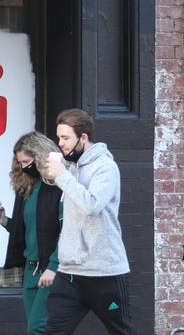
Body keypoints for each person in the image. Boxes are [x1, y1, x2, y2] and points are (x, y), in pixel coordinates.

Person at [44, 108, 134, 334]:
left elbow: (92, 204)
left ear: (83, 138)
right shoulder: (71, 166)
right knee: (53, 330)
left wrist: (62, 176)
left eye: (66, 138)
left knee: (122, 331)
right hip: (70, 272)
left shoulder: (105, 167)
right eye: (59, 138)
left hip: (104, 273)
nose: (61, 143)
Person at [0, 131, 63, 335]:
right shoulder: (27, 187)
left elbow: (67, 231)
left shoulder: (58, 186)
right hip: (30, 271)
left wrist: (54, 266)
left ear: (40, 156)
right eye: (20, 162)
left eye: (27, 161)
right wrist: (4, 221)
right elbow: (25, 231)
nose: (23, 166)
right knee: (37, 326)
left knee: (37, 328)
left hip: (50, 269)